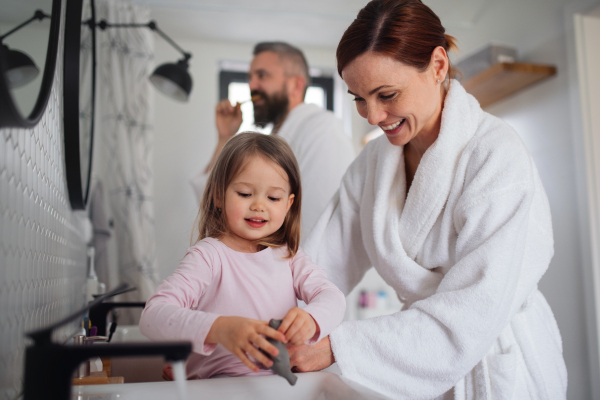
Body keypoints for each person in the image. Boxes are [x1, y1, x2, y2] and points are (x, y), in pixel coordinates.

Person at [286, 1, 568, 399]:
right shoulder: (372, 165)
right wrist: (265, 320)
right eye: (359, 99)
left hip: (496, 363)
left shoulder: (496, 155)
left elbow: (473, 312)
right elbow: (317, 267)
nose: (372, 115)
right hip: (419, 360)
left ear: (438, 66)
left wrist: (337, 346)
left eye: (386, 94)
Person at [140, 132, 345, 379]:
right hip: (216, 390)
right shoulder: (209, 256)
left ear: (288, 204)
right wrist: (220, 329)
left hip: (278, 389)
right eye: (245, 194)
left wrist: (312, 318)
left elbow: (332, 297)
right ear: (218, 195)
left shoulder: (290, 258)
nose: (259, 205)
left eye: (273, 197)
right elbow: (152, 316)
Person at [191, 42, 355, 240]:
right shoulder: (274, 139)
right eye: (249, 78)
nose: (252, 86)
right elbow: (215, 200)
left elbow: (316, 224)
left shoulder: (323, 129)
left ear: (295, 85)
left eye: (262, 76)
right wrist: (225, 137)